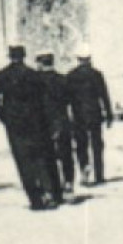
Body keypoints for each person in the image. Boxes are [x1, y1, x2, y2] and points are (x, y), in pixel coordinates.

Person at [0, 45, 60, 210]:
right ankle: (49, 194)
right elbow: (44, 101)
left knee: (23, 161)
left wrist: (5, 117)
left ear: (10, 56)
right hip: (36, 123)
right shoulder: (33, 75)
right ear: (24, 56)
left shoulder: (1, 76)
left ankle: (35, 199)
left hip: (14, 125)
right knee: (40, 158)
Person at [65, 46, 114, 186]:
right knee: (97, 144)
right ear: (89, 58)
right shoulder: (96, 74)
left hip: (78, 115)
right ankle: (99, 174)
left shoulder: (71, 76)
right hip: (95, 114)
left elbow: (66, 98)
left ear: (78, 59)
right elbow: (104, 96)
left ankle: (84, 171)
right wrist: (109, 114)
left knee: (81, 145)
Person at [36, 53, 76, 197]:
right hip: (62, 120)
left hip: (43, 123)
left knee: (47, 156)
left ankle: (52, 189)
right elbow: (70, 101)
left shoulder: (36, 81)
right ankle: (69, 184)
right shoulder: (63, 79)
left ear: (40, 63)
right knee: (66, 154)